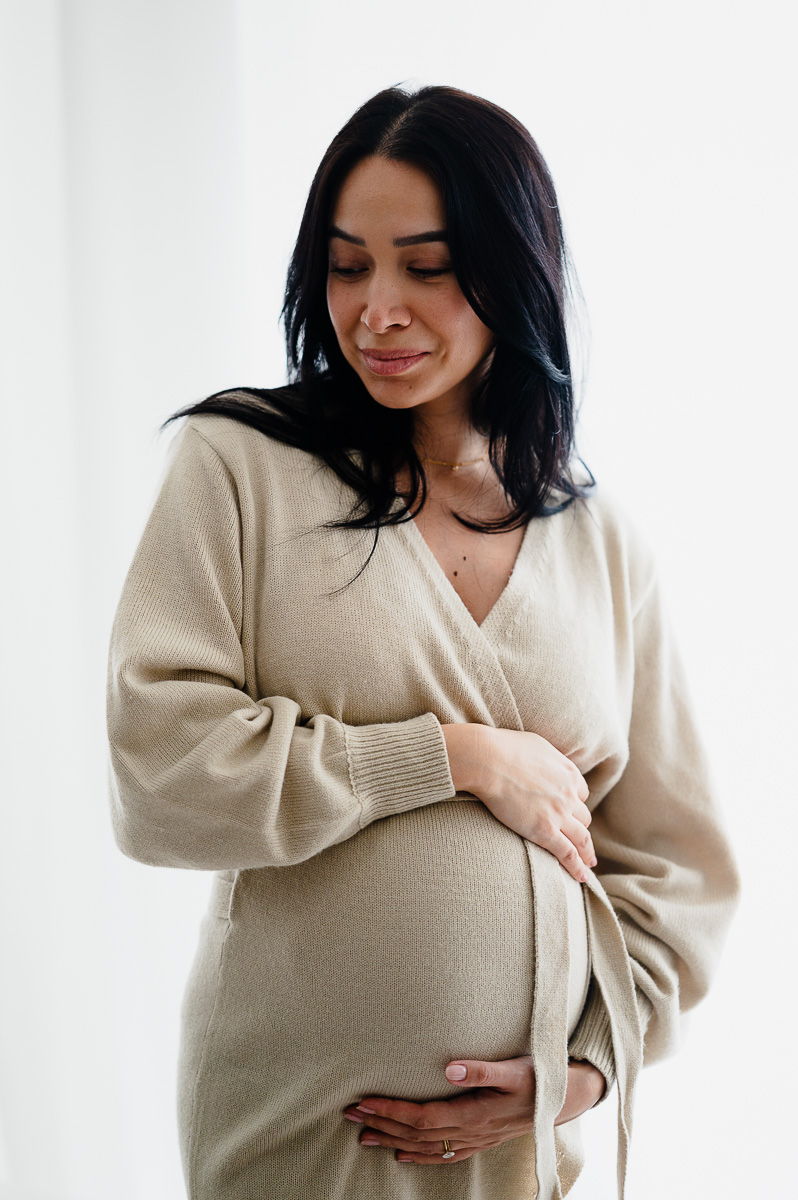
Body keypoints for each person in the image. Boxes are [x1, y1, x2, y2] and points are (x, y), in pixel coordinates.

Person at [105, 84, 739, 1200]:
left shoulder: (599, 540)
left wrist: (581, 1071)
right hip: (294, 1134)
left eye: (427, 267)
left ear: (513, 273)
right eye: (349, 266)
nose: (378, 310)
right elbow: (160, 769)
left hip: (518, 1156)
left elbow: (680, 871)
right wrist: (452, 756)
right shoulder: (238, 467)